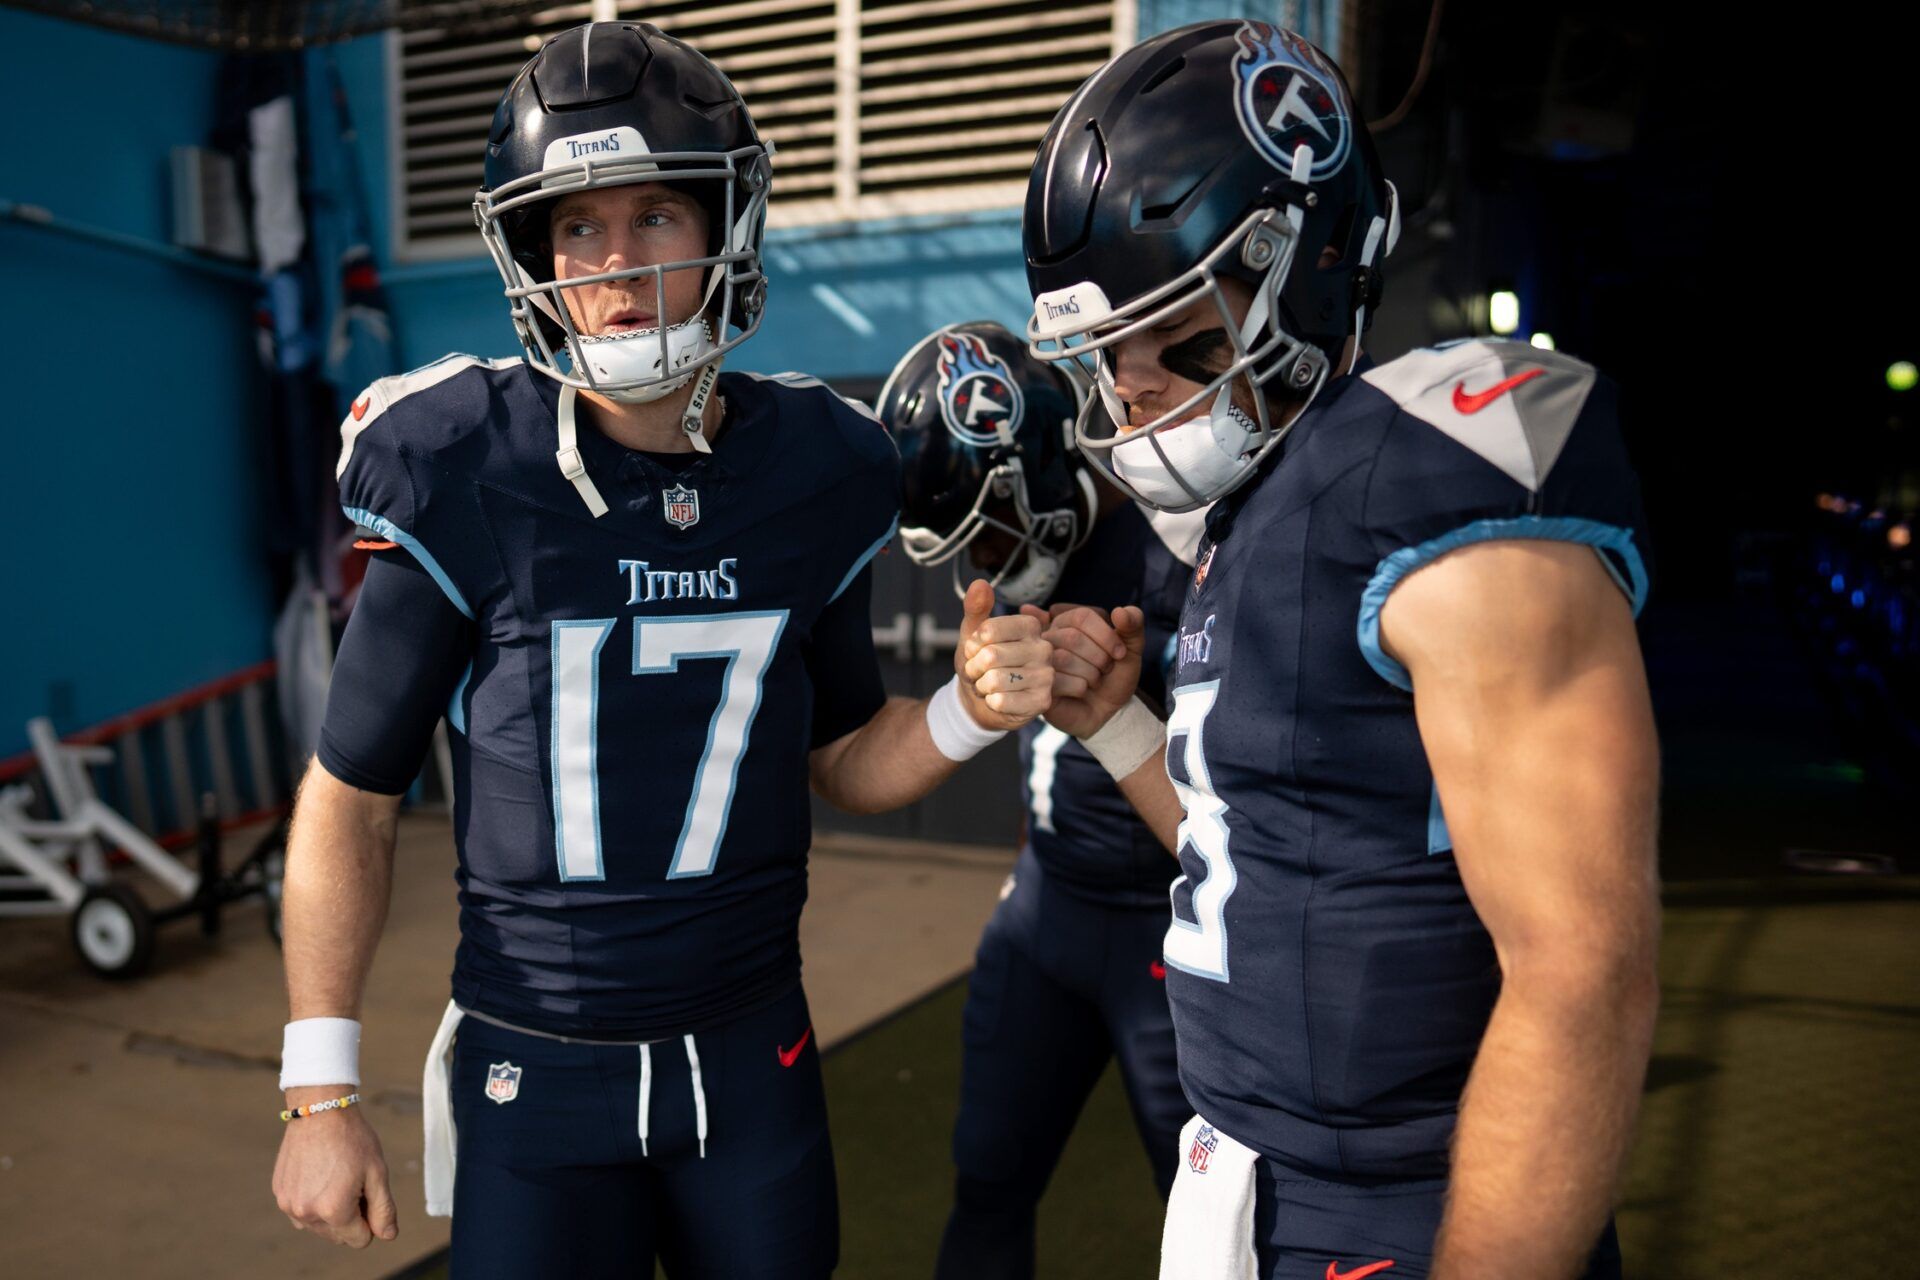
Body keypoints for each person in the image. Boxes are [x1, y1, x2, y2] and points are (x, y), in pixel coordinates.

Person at [268, 23, 1052, 1279]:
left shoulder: (817, 464)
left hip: (754, 1061)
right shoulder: (460, 460)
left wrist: (963, 712)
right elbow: (352, 796)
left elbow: (843, 754)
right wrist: (320, 1086)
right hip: (537, 1072)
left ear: (724, 227)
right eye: (577, 227)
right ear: (533, 252)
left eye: (654, 216)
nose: (616, 263)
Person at [1022, 21, 1660, 1279]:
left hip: (1397, 1213)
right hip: (1249, 1189)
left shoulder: (1422, 478)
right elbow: (1254, 845)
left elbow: (1583, 971)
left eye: (1177, 333)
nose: (1131, 384)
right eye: (1104, 348)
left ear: (1304, 271)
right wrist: (1114, 723)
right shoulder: (1250, 515)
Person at [876, 322, 1198, 1278]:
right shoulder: (1019, 551)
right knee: (988, 1180)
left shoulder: (1182, 543)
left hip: (1170, 926)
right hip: (1047, 905)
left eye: (994, 531)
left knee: (1208, 1221)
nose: (981, 562)